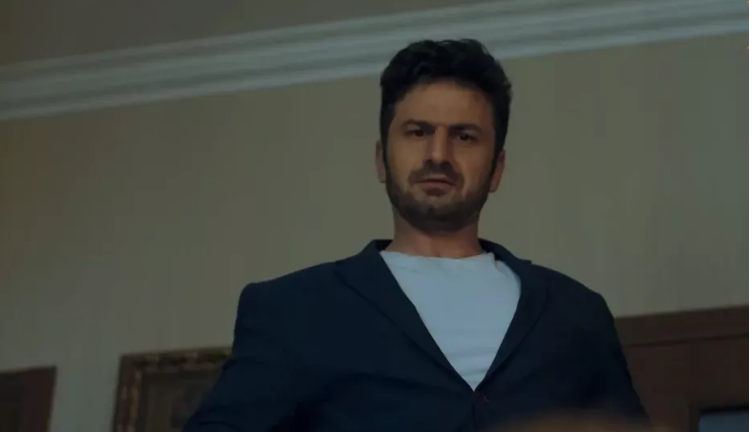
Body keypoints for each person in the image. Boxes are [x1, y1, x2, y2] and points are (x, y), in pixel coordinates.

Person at [184, 39, 647, 431]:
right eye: (418, 132)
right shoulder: (291, 309)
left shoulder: (577, 312)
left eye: (464, 137)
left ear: (497, 169)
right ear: (381, 160)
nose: (438, 154)